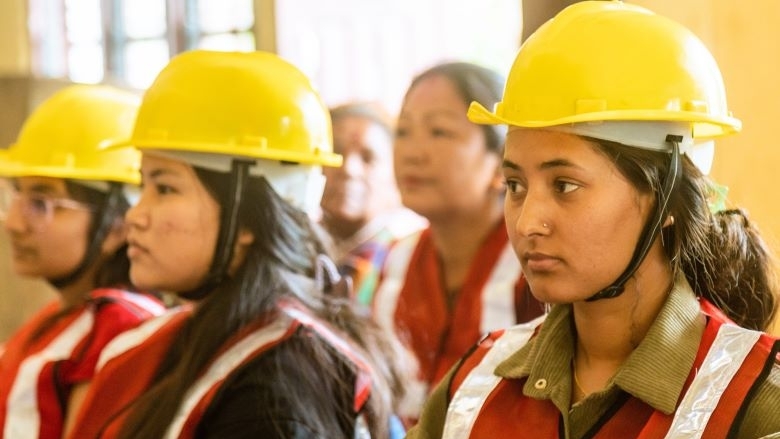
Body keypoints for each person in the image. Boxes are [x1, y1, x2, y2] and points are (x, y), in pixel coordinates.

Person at [407, 2, 780, 438]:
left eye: (565, 185)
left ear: (667, 198)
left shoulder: (755, 402)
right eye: (515, 185)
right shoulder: (474, 387)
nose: (528, 223)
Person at [66, 50, 409, 439]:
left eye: (164, 188)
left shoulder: (276, 385)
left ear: (248, 218)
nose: (135, 215)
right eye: (143, 185)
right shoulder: (199, 337)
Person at [372, 61, 545, 417]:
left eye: (439, 132)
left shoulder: (537, 263)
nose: (412, 152)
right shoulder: (397, 259)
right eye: (403, 131)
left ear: (501, 159)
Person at [0, 85, 166, 439]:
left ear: (116, 226)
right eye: (16, 195)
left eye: (42, 202)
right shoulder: (62, 317)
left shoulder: (121, 330)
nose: (13, 223)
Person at [320, 102, 426, 306]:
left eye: (368, 158)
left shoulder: (408, 259)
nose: (349, 169)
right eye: (336, 152)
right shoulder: (295, 247)